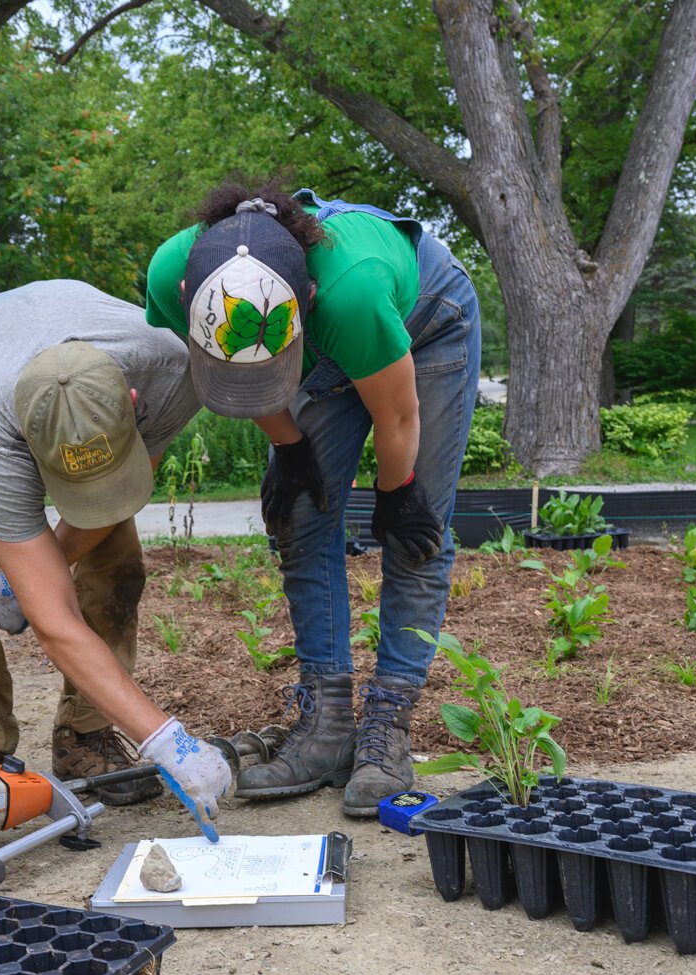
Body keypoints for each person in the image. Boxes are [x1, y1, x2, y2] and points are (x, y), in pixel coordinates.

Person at [144, 183, 480, 818]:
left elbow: (398, 414)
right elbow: (245, 376)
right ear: (190, 297)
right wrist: (290, 448)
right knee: (300, 517)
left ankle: (387, 729)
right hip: (322, 342)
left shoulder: (349, 292)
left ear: (308, 300)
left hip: (421, 325)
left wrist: (396, 492)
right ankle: (324, 727)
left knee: (416, 531)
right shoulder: (172, 275)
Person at [0, 280, 231, 840]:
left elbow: (118, 491)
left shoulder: (173, 371)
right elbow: (53, 623)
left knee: (118, 562)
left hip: (65, 367)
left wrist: (22, 581)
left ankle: (88, 733)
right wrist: (169, 740)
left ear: (131, 403)